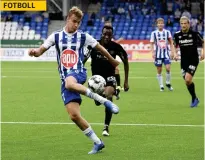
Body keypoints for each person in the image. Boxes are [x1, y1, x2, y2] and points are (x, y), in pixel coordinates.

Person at [28, 6, 120, 154]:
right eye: (74, 21)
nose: (76, 25)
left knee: (70, 83)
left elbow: (100, 48)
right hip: (66, 79)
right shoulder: (56, 36)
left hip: (78, 72)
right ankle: (98, 143)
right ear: (68, 19)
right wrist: (34, 52)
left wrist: (112, 61)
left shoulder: (83, 36)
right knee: (74, 115)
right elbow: (40, 50)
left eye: (79, 22)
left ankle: (105, 101)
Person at [83, 25, 129, 136]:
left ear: (112, 35)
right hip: (96, 80)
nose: (107, 36)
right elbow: (82, 60)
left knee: (109, 96)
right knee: (98, 102)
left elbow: (126, 63)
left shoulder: (116, 47)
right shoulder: (93, 46)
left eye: (109, 34)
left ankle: (106, 127)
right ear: (101, 34)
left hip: (110, 77)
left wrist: (126, 81)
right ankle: (100, 98)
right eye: (105, 34)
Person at [173, 16, 204, 107]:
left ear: (189, 24)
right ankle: (195, 98)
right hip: (183, 61)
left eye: (185, 23)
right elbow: (174, 46)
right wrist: (174, 54)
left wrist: (203, 52)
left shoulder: (195, 34)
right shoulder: (177, 35)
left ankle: (194, 99)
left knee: (187, 79)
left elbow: (203, 42)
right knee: (187, 82)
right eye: (181, 24)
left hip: (193, 60)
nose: (183, 25)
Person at [150, 18, 175, 91]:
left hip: (166, 54)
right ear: (157, 24)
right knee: (159, 70)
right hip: (158, 55)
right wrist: (153, 52)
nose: (160, 24)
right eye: (159, 23)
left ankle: (167, 83)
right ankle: (161, 85)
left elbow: (171, 42)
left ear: (163, 24)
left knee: (168, 68)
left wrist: (172, 51)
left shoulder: (167, 32)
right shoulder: (154, 33)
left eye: (162, 23)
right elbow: (151, 43)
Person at [104, 21, 124, 99]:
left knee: (116, 70)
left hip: (111, 55)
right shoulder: (104, 35)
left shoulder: (112, 34)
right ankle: (113, 89)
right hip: (105, 55)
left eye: (110, 26)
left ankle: (117, 87)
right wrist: (119, 41)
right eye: (107, 26)